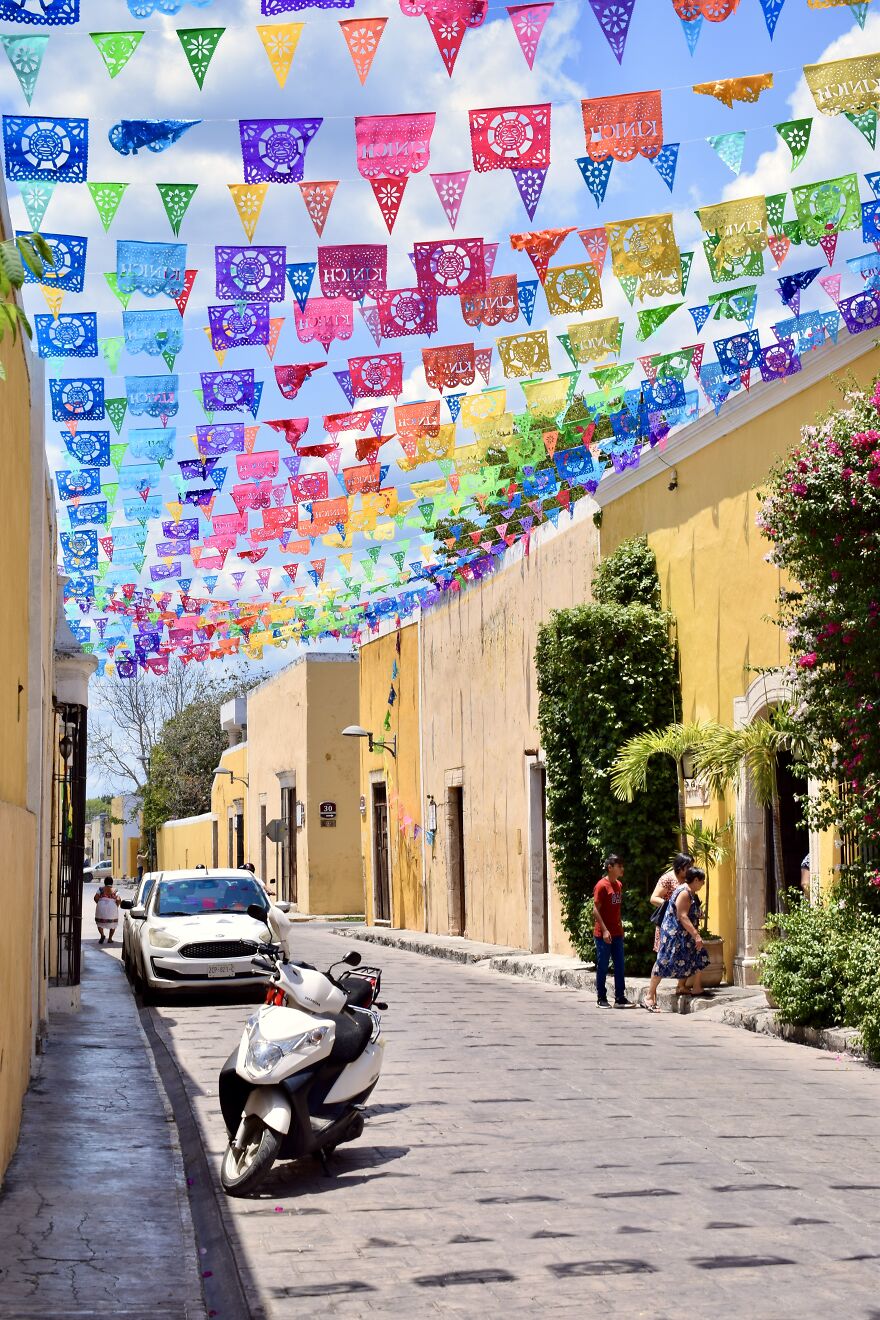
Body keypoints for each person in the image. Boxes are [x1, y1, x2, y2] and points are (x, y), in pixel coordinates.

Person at [642, 866, 710, 1012]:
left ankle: (694, 988)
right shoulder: (684, 892)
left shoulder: (689, 892)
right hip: (675, 936)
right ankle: (649, 996)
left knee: (699, 956)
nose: (703, 884)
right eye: (702, 881)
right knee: (663, 962)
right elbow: (682, 916)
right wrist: (696, 935)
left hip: (684, 936)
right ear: (696, 880)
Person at [593, 854, 633, 1008]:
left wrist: (619, 927)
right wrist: (604, 930)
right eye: (619, 866)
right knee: (603, 965)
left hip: (617, 932)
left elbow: (617, 909)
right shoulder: (601, 886)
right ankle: (601, 998)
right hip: (603, 934)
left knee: (620, 965)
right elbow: (595, 910)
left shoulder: (619, 885)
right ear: (610, 867)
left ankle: (620, 997)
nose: (622, 869)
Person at [649, 853, 694, 990]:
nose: (691, 869)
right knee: (662, 959)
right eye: (689, 866)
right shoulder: (668, 879)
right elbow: (654, 898)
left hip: (682, 926)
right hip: (668, 926)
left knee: (685, 956)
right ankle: (652, 992)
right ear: (681, 867)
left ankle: (681, 986)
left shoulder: (687, 880)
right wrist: (672, 907)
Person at [94, 879, 121, 945]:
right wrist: (117, 905)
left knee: (99, 922)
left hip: (101, 905)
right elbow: (118, 899)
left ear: (104, 882)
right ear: (112, 883)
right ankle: (110, 938)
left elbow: (95, 898)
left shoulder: (100, 889)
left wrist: (99, 902)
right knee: (113, 924)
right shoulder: (115, 890)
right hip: (112, 906)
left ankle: (102, 935)